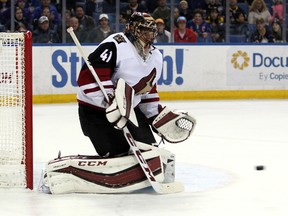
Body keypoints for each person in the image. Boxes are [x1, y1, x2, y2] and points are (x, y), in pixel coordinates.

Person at [77, 12, 164, 157]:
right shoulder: (116, 44)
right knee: (118, 154)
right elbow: (88, 78)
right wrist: (111, 102)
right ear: (133, 29)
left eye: (152, 32)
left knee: (150, 151)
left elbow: (148, 89)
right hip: (96, 112)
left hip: (130, 110)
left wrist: (155, 116)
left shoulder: (156, 57)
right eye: (145, 31)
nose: (149, 36)